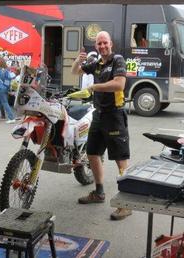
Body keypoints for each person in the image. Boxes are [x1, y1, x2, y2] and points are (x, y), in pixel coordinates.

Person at [71, 31, 132, 221]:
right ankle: (99, 193)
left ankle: (126, 204)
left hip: (114, 114)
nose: (102, 46)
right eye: (99, 44)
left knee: (120, 158)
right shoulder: (97, 64)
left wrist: (95, 87)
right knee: (92, 153)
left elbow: (119, 84)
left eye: (105, 42)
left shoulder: (118, 60)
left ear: (110, 43)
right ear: (96, 46)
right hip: (99, 113)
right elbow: (75, 71)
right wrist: (76, 60)